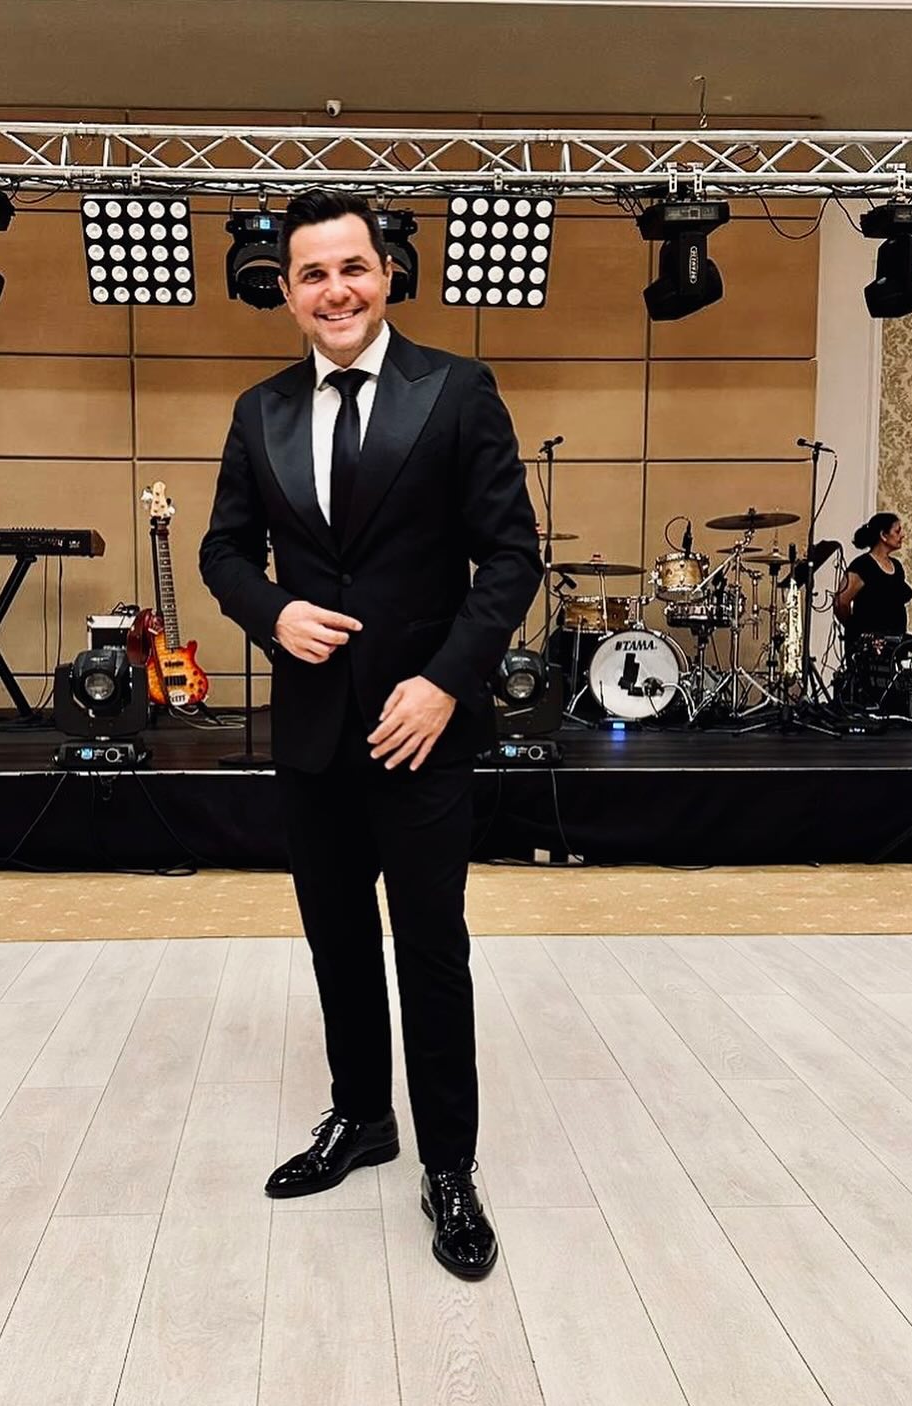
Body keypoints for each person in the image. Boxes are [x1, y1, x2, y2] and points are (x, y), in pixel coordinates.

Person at [199, 188, 542, 1279]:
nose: (335, 290)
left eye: (352, 267)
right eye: (312, 274)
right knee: (336, 940)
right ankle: (362, 1117)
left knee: (431, 948)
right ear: (286, 292)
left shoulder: (458, 390)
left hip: (421, 729)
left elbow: (511, 558)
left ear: (387, 273)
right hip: (312, 731)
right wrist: (272, 612)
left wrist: (444, 682)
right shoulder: (258, 411)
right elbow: (220, 551)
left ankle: (450, 1165)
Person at [834, 511, 912, 641]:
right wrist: (854, 629)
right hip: (869, 644)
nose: (902, 535)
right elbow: (841, 602)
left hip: (895, 641)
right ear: (883, 535)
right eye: (897, 531)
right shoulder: (862, 565)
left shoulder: (897, 566)